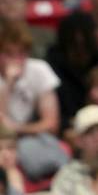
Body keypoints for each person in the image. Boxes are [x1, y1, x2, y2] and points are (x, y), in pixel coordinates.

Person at [0, 19, 66, 180]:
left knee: (50, 151)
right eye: (9, 54)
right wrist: (8, 84)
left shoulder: (39, 69)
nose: (15, 60)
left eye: (21, 54)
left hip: (28, 138)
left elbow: (51, 125)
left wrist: (17, 128)